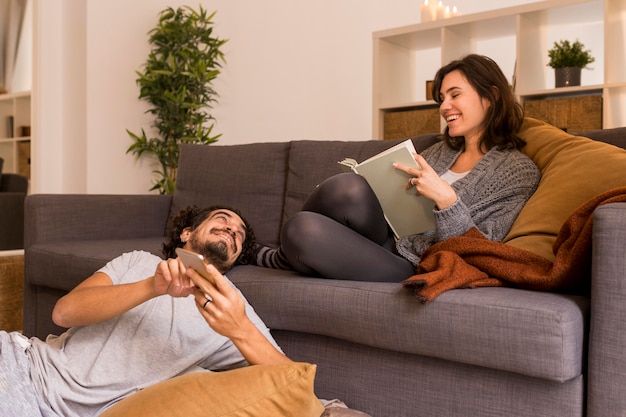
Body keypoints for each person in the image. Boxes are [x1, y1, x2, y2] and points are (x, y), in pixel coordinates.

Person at [254, 54, 541, 282]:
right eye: (442, 98)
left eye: (455, 95)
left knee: (301, 228)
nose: (445, 106)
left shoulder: (518, 172)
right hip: (388, 239)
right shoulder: (439, 152)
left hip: (416, 264)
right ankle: (292, 255)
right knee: (345, 187)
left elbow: (486, 248)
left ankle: (283, 257)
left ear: (490, 97)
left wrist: (447, 201)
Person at [0, 205, 291, 417]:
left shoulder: (231, 303)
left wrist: (239, 328)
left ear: (236, 257)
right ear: (186, 233)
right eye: (222, 220)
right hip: (24, 366)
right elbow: (63, 313)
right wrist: (153, 286)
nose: (231, 230)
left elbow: (292, 378)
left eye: (239, 235)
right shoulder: (137, 262)